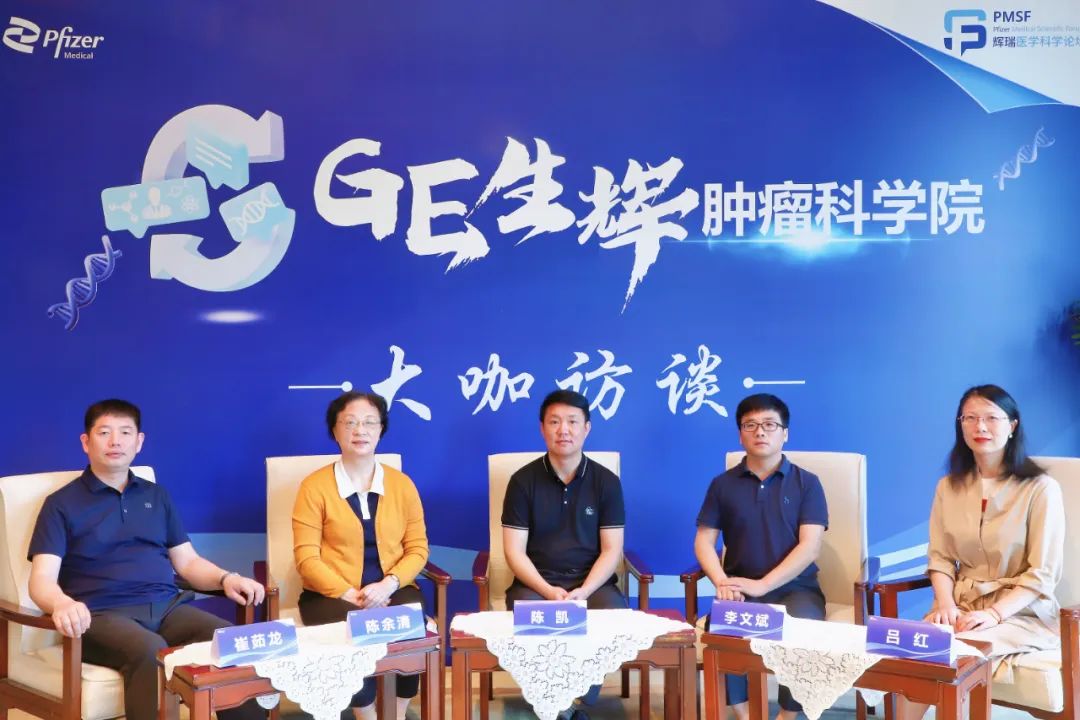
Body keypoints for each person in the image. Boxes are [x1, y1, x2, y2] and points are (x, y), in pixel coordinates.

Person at [27, 399, 266, 720]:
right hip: (101, 617)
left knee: (229, 641)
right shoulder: (60, 504)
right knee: (149, 649)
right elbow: (41, 579)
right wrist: (61, 604)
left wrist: (227, 578)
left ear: (139, 442)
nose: (115, 441)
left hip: (166, 608)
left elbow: (188, 563)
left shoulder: (156, 495)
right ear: (86, 442)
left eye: (125, 432)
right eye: (104, 433)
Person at [902, 384, 1064, 720]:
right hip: (960, 607)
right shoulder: (947, 487)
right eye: (970, 418)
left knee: (954, 652)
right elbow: (940, 558)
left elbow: (1043, 574)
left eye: (991, 417)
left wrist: (994, 614)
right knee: (911, 651)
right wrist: (945, 605)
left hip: (1021, 612)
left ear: (1012, 425)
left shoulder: (1040, 488)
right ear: (960, 425)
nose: (981, 427)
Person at [292, 391, 429, 720]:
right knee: (354, 632)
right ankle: (366, 715)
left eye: (369, 422)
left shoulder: (402, 485)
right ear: (335, 431)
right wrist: (351, 594)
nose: (360, 430)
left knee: (412, 624)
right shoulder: (314, 487)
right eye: (350, 422)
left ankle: (396, 713)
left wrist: (388, 584)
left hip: (393, 589)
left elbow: (418, 549)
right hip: (330, 595)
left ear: (381, 430)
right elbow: (307, 559)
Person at [694, 393, 828, 720]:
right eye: (750, 425)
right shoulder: (722, 485)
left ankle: (786, 715)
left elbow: (810, 546)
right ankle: (745, 715)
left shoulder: (807, 484)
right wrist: (722, 582)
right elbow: (703, 542)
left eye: (769, 424)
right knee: (722, 629)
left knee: (804, 631)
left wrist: (764, 584)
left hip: (797, 589)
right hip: (740, 589)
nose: (760, 432)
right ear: (740, 434)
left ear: (785, 433)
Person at [502, 389, 627, 717]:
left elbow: (612, 549)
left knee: (612, 617)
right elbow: (514, 552)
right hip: (535, 585)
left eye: (572, 421)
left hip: (592, 585)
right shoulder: (522, 482)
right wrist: (548, 591)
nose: (564, 430)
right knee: (531, 621)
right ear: (542, 428)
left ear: (587, 428)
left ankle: (574, 701)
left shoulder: (606, 482)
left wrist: (583, 591)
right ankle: (559, 706)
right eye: (554, 422)